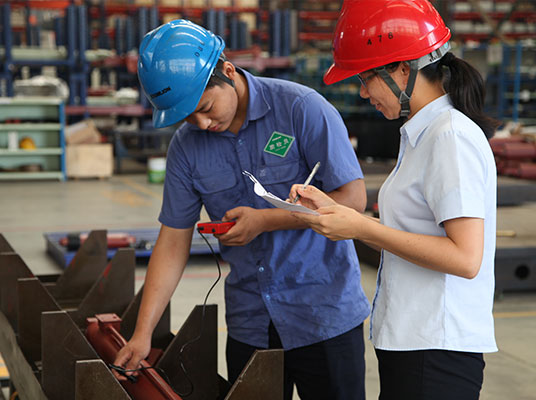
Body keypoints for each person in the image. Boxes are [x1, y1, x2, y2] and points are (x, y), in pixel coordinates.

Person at [113, 19, 370, 400]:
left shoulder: (301, 109)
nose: (202, 123)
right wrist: (142, 333)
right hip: (251, 322)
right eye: (188, 117)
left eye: (205, 107)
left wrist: (266, 220)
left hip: (323, 314)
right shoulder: (186, 147)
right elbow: (173, 242)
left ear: (228, 72)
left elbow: (352, 198)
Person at [289, 1, 499, 399]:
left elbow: (465, 258)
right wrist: (339, 213)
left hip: (436, 349)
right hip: (414, 343)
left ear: (403, 69)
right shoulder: (422, 134)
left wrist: (360, 227)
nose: (363, 92)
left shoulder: (449, 137)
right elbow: (412, 232)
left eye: (366, 78)